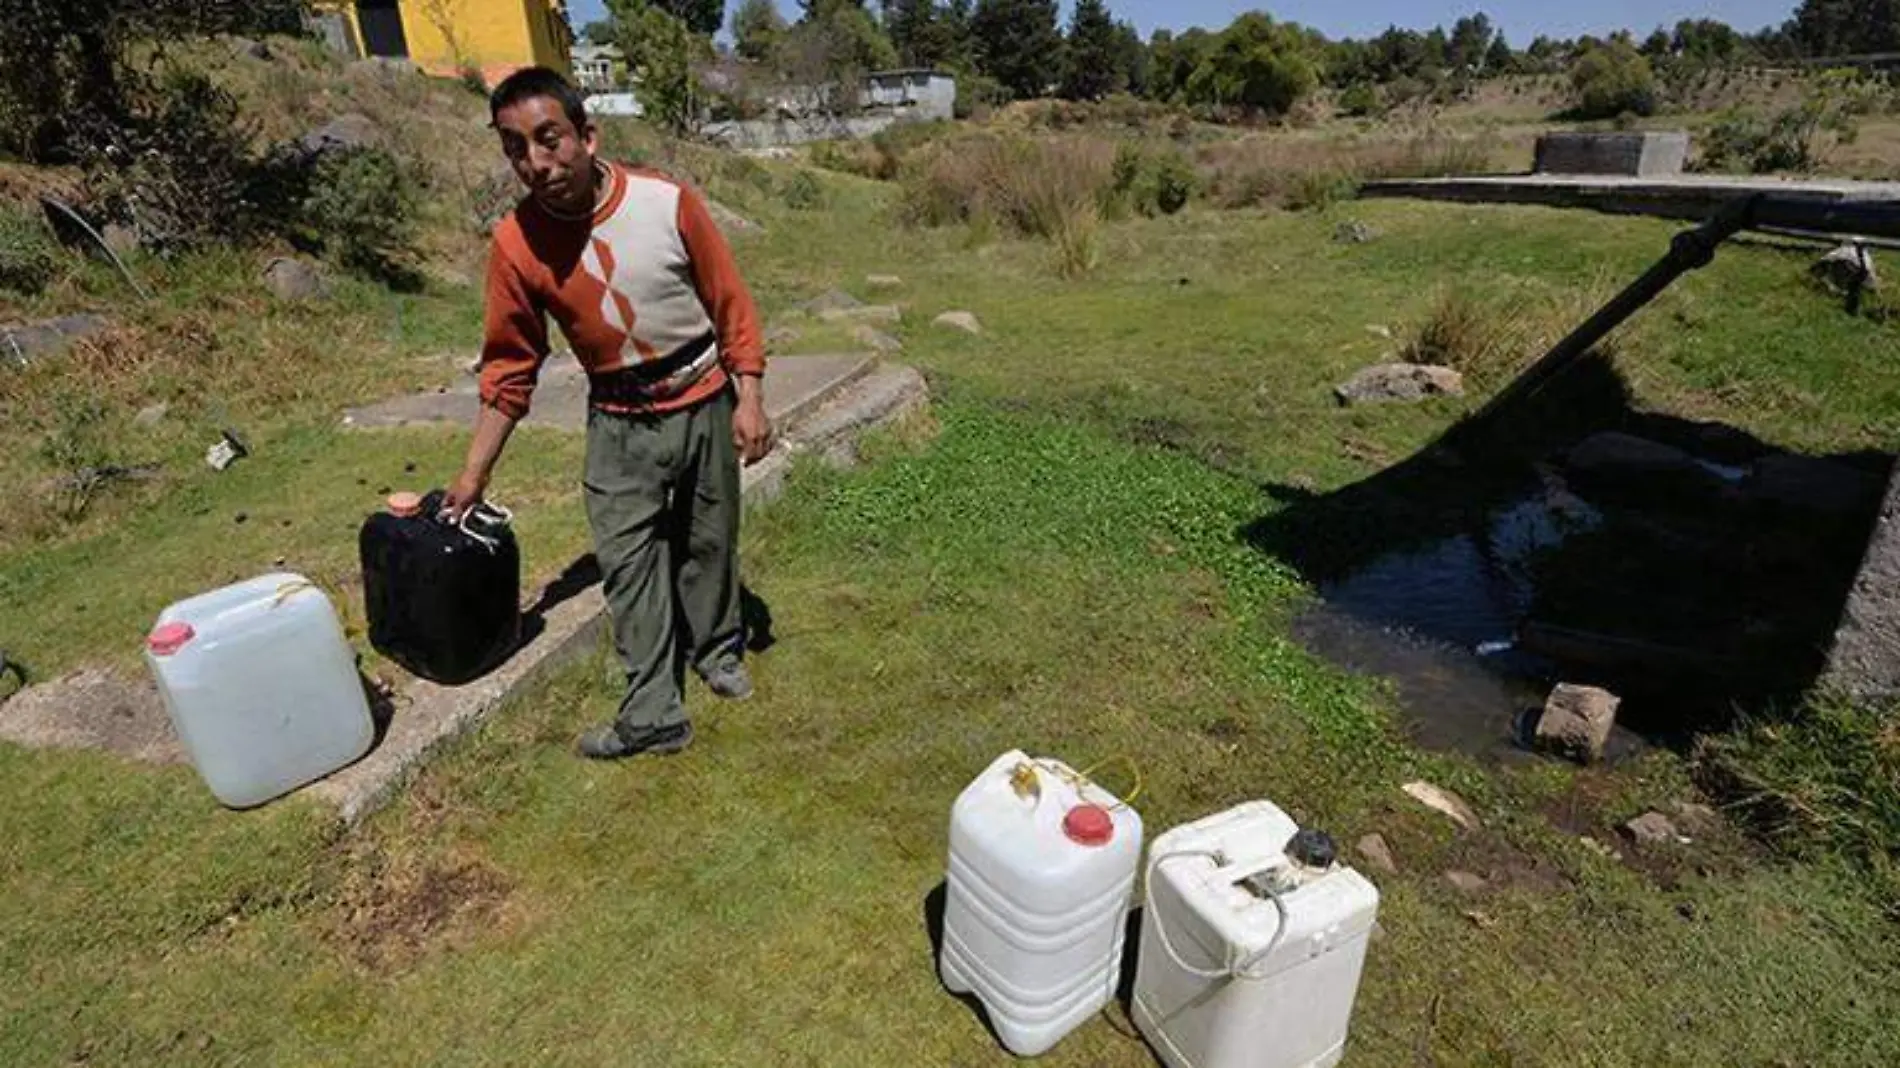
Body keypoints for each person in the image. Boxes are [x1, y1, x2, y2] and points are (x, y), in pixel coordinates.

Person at [443, 67, 772, 761]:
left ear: (587, 136)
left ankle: (717, 651)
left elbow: (730, 303)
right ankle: (653, 711)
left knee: (710, 541)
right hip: (618, 423)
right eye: (515, 148)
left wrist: (749, 393)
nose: (535, 162)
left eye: (549, 139)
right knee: (628, 564)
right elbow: (509, 367)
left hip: (704, 399)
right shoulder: (515, 244)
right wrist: (473, 474)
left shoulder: (666, 202)